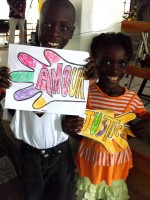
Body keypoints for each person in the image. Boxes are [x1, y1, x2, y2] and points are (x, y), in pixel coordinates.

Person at [0, 0, 96, 200]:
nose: (54, 32)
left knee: (61, 196)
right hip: (28, 155)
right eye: (48, 24)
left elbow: (78, 120)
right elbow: (10, 113)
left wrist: (89, 81)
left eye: (64, 27)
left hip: (61, 154)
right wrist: (5, 85)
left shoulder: (77, 70)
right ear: (38, 25)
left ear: (72, 32)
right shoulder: (21, 63)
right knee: (31, 195)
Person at [62, 32, 150, 200]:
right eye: (107, 62)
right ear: (94, 61)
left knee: (113, 194)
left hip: (116, 166)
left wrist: (147, 126)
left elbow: (146, 116)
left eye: (122, 63)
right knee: (86, 194)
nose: (114, 69)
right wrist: (72, 126)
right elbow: (76, 129)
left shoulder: (131, 99)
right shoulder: (86, 94)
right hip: (90, 163)